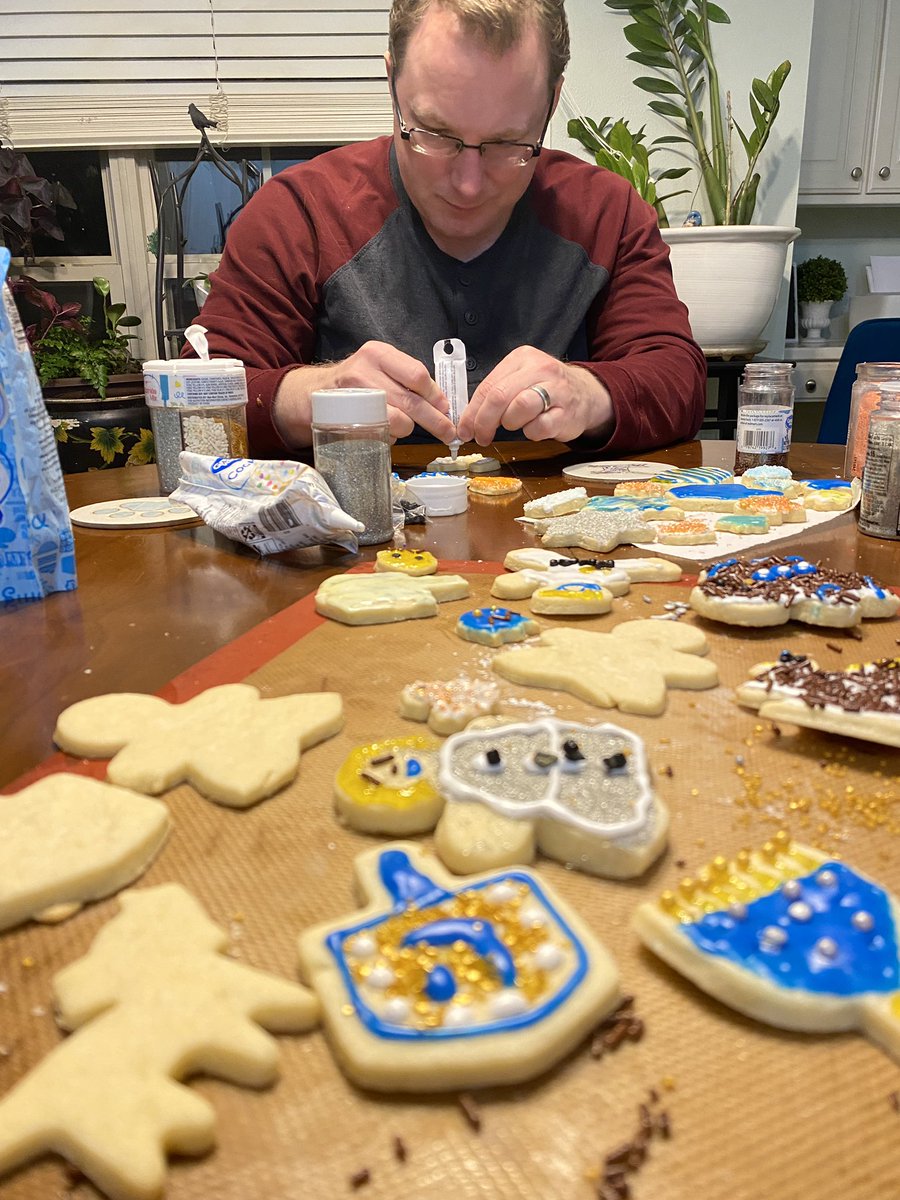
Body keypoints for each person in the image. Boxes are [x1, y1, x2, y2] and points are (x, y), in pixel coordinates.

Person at [187, 0, 706, 456]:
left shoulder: (606, 214)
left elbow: (677, 379)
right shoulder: (297, 214)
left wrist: (589, 392)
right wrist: (317, 394)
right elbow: (194, 404)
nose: (469, 185)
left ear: (552, 100)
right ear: (392, 81)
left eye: (509, 143)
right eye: (435, 134)